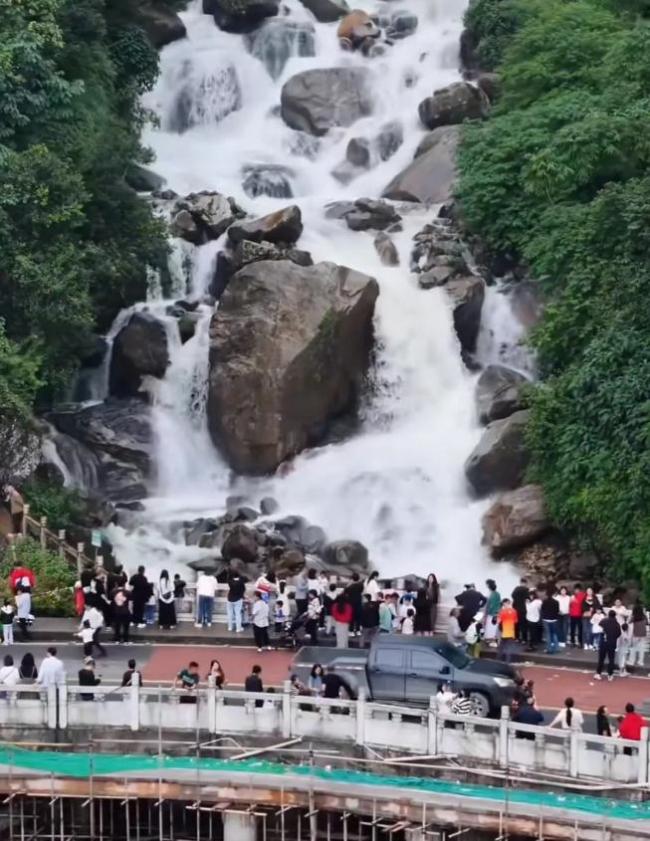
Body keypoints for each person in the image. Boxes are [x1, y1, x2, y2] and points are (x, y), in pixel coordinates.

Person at [594, 610, 621, 681]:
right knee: (611, 659)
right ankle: (610, 675)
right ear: (615, 615)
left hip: (603, 642)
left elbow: (598, 630)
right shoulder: (617, 624)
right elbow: (618, 634)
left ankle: (598, 673)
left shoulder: (603, 621)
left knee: (601, 659)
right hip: (612, 643)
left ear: (608, 614)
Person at [497, 598, 518, 663]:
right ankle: (508, 661)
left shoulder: (502, 611)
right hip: (511, 631)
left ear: (504, 603)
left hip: (503, 631)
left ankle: (498, 660)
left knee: (501, 647)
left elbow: (498, 621)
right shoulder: (514, 611)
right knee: (509, 647)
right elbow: (515, 621)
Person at [541, 588, 560, 654]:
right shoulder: (556, 602)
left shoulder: (544, 601)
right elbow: (557, 611)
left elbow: (542, 609)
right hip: (554, 620)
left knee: (548, 634)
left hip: (546, 619)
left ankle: (549, 649)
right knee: (554, 634)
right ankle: (556, 648)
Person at [344, 573, 364, 637]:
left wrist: (349, 583)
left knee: (351, 618)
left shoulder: (350, 587)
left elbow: (345, 591)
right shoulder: (361, 585)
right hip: (358, 603)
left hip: (351, 604)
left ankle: (351, 631)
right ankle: (358, 631)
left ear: (352, 579)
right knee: (358, 617)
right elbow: (361, 590)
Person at [629, 602, 647, 668]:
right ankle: (640, 661)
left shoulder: (634, 617)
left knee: (633, 648)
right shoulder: (644, 616)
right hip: (643, 634)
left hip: (635, 634)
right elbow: (647, 623)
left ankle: (631, 661)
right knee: (642, 649)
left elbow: (629, 622)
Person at [511, 578, 530, 643]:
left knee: (516, 624)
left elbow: (512, 595)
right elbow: (528, 598)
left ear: (520, 582)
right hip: (523, 609)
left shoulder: (516, 588)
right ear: (525, 583)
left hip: (515, 608)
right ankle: (524, 639)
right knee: (523, 624)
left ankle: (516, 637)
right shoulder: (526, 589)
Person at [484, 579, 501, 647]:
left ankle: (490, 640)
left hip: (491, 614)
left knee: (490, 627)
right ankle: (492, 639)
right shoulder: (497, 594)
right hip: (496, 613)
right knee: (494, 627)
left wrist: (486, 613)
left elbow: (490, 605)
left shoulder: (491, 594)